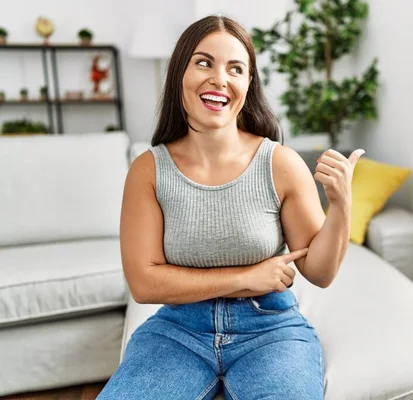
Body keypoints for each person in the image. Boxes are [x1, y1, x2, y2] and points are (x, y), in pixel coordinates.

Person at [98, 15, 364, 400]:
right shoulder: (148, 170)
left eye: (235, 69)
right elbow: (144, 282)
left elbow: (319, 273)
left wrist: (341, 206)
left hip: (270, 329)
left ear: (247, 84)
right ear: (180, 74)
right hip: (177, 331)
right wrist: (247, 276)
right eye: (204, 62)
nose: (220, 79)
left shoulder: (281, 163)